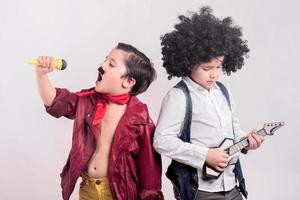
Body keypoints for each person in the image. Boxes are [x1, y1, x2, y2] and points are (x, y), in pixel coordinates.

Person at [153, 7, 264, 200]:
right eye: (206, 68)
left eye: (219, 66)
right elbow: (161, 141)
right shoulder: (178, 96)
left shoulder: (223, 91)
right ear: (188, 63)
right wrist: (204, 155)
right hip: (200, 191)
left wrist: (247, 142)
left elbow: (232, 129)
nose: (214, 73)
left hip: (232, 184)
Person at [34, 43, 164, 200]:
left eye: (111, 64)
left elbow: (150, 169)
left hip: (119, 193)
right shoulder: (88, 101)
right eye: (105, 59)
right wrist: (41, 74)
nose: (102, 65)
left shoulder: (140, 118)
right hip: (88, 189)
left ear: (128, 82)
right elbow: (55, 102)